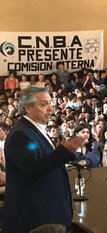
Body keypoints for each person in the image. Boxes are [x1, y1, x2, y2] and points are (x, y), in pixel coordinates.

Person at [4, 86, 86, 233]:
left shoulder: (35, 129)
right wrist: (63, 151)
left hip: (48, 212)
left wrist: (67, 151)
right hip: (36, 219)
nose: (50, 108)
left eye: (50, 103)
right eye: (44, 104)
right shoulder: (21, 134)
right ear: (28, 108)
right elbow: (31, 170)